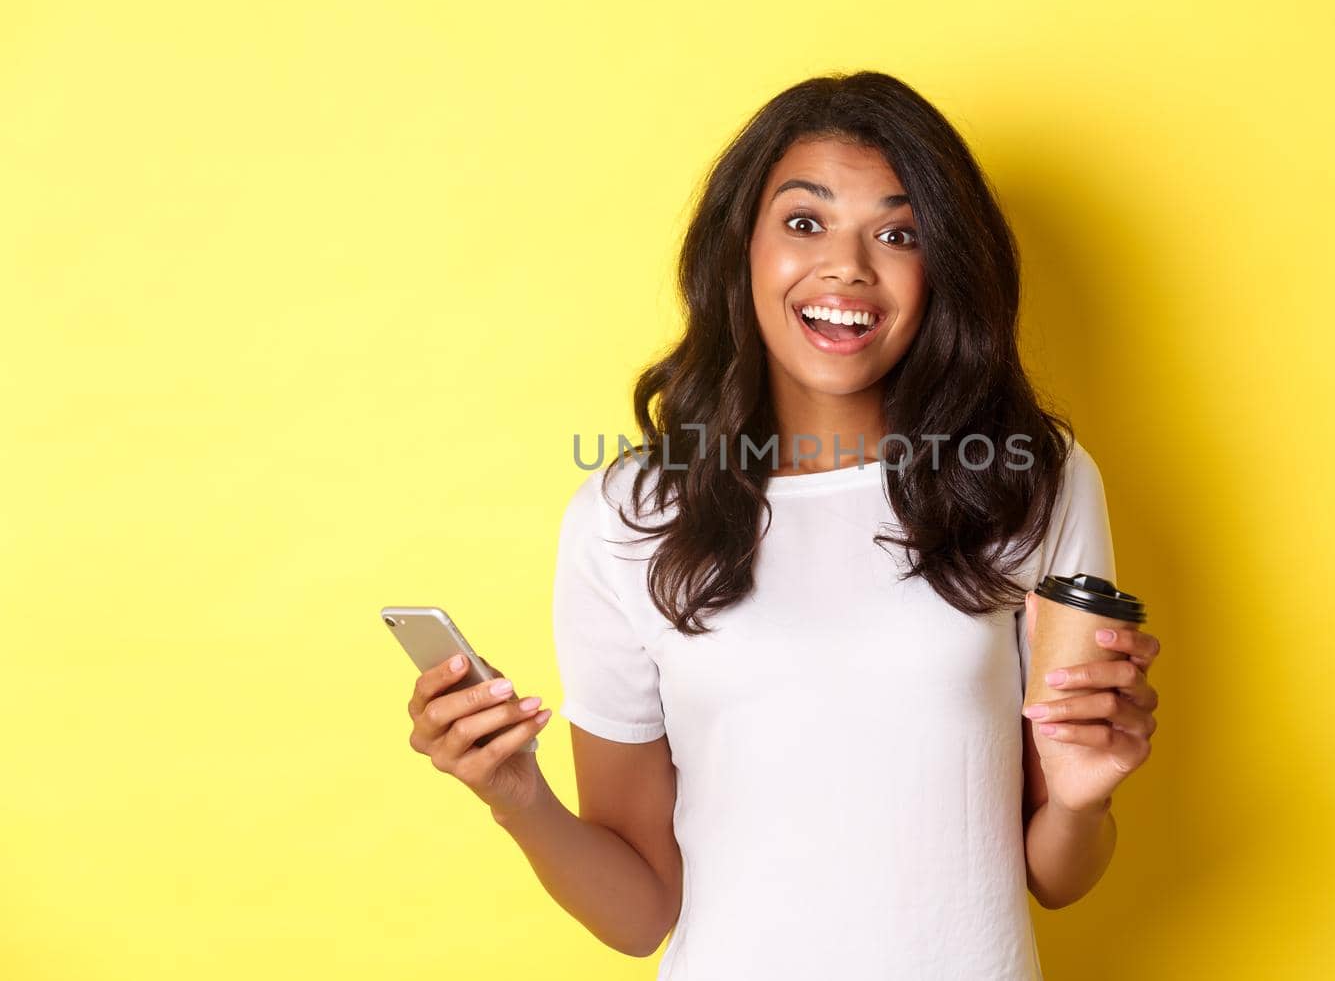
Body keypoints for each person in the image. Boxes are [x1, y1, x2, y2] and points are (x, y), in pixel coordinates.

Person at [404, 71, 1163, 979]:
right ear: (742, 249)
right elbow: (642, 910)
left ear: (942, 272)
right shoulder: (629, 518)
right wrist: (517, 795)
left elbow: (1055, 875)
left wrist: (1080, 805)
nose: (848, 266)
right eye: (805, 223)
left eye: (897, 233)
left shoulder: (1030, 482)